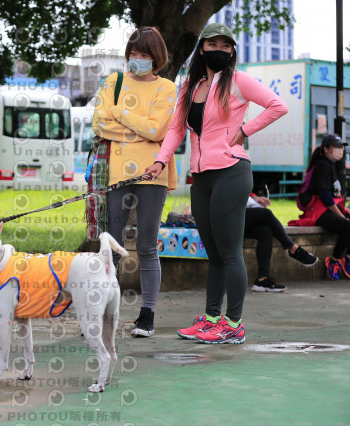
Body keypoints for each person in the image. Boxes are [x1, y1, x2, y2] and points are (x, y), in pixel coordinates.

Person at [145, 23, 288, 344]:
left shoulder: (238, 81)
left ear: (232, 51)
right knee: (214, 253)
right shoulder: (189, 86)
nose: (220, 50)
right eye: (214, 44)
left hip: (232, 172)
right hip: (202, 178)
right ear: (203, 48)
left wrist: (246, 130)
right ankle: (211, 318)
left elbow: (278, 105)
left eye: (227, 46)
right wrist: (160, 160)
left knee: (229, 251)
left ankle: (233, 323)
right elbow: (176, 129)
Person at [90, 26, 177, 338]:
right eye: (133, 54)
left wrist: (120, 114)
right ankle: (106, 312)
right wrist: (138, 129)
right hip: (117, 174)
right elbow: (99, 123)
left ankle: (147, 315)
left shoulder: (166, 87)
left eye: (143, 55)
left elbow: (158, 131)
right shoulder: (114, 82)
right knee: (111, 243)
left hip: (153, 173)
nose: (136, 60)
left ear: (156, 58)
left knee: (146, 245)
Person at [288, 133, 350, 280]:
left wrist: (344, 211)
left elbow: (334, 196)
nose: (340, 150)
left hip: (329, 210)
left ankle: (347, 259)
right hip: (319, 212)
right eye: (336, 147)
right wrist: (341, 216)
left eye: (341, 147)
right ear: (326, 148)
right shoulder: (323, 166)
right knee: (348, 226)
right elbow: (325, 197)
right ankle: (334, 261)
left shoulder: (331, 165)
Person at [245, 194, 318, 291]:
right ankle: (293, 248)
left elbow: (242, 190)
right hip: (224, 216)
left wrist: (255, 198)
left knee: (265, 232)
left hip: (236, 213)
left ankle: (262, 279)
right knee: (266, 214)